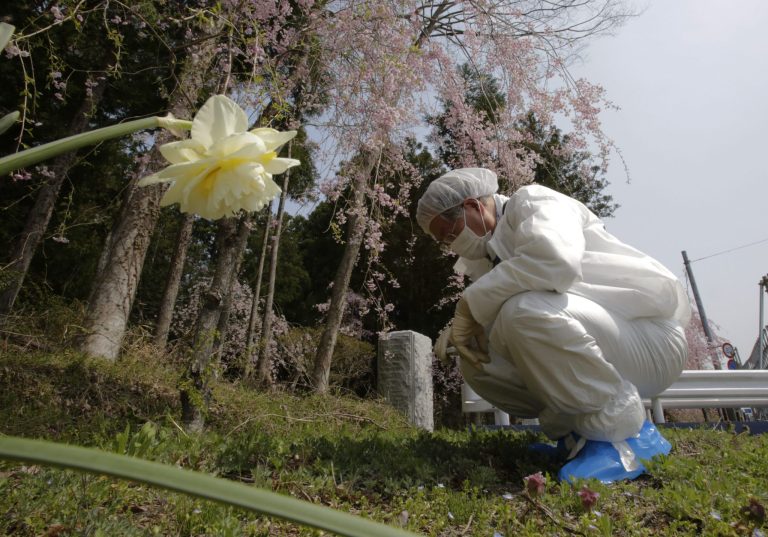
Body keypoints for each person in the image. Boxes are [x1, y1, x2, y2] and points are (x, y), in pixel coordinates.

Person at [417, 168, 690, 483]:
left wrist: (470, 304)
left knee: (522, 312)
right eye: (443, 241)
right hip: (607, 340)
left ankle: (624, 440)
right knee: (479, 354)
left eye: (449, 233)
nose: (450, 245)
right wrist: (464, 328)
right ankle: (577, 437)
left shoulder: (532, 202)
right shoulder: (489, 257)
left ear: (472, 205)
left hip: (651, 336)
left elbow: (555, 262)